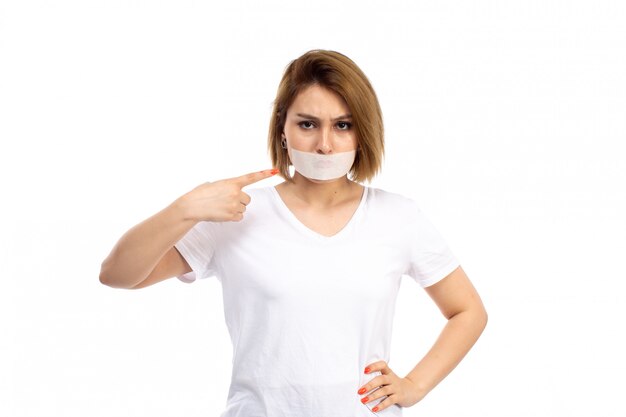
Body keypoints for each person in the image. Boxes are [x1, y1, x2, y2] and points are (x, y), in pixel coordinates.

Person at [99, 49, 488, 416]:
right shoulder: (239, 213)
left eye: (343, 125)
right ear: (283, 129)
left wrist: (413, 386)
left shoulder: (398, 216)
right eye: (307, 124)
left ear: (362, 132)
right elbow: (117, 275)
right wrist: (185, 209)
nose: (324, 145)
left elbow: (468, 311)